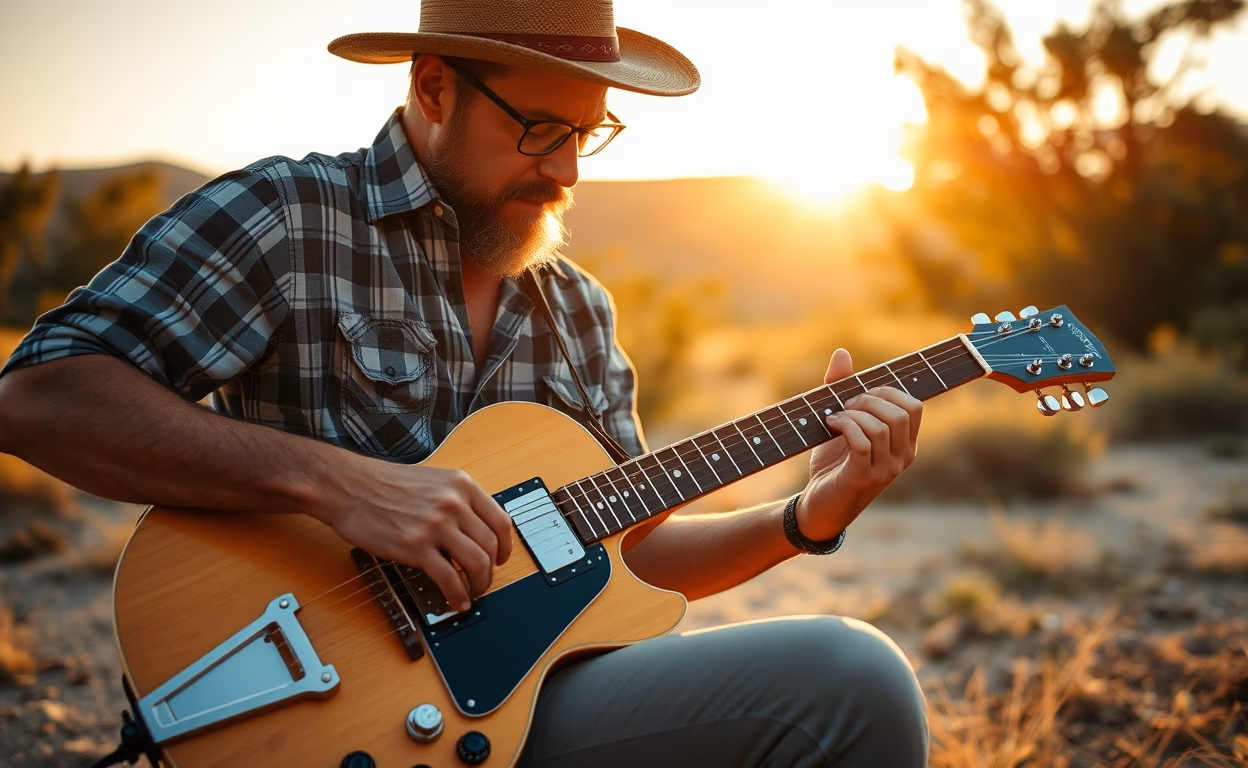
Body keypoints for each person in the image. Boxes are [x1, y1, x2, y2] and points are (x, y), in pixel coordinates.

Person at [0, 1, 929, 764]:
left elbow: (630, 556)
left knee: (842, 681)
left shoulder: (578, 309)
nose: (565, 169)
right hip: (314, 709)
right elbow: (39, 397)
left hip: (532, 710)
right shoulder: (290, 219)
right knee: (854, 676)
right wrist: (338, 483)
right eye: (538, 128)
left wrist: (809, 516)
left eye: (587, 132)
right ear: (434, 85)